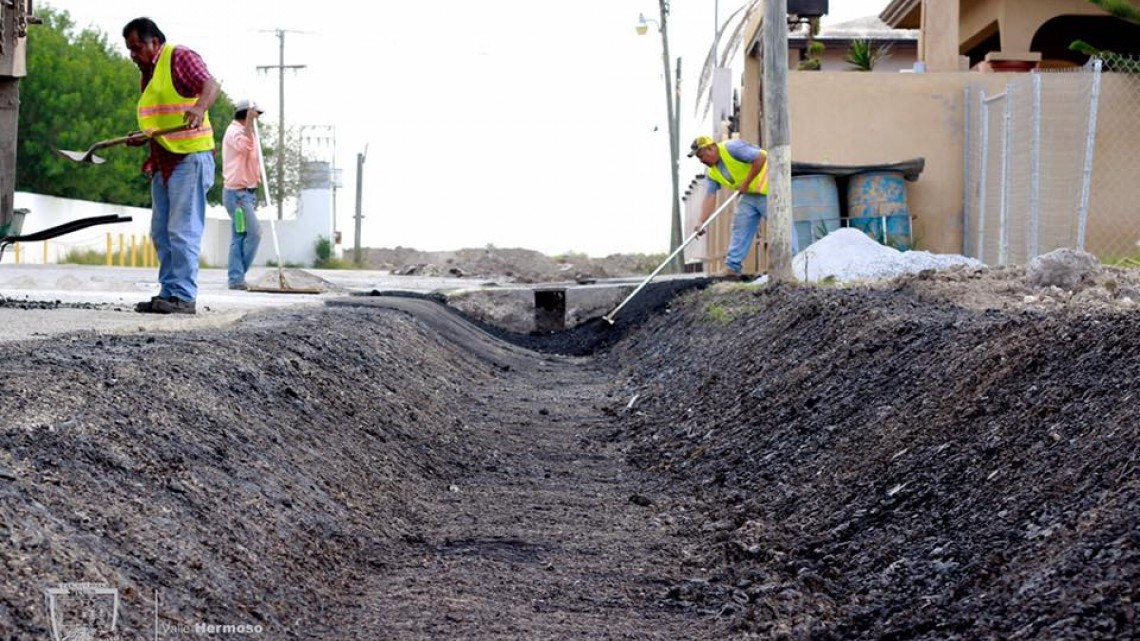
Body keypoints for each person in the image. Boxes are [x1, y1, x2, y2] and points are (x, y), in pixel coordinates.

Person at [122, 17, 220, 314]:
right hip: (164, 159)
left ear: (154, 42)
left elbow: (211, 84)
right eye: (129, 49)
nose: (133, 55)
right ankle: (168, 292)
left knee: (182, 230)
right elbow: (161, 116)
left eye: (136, 47)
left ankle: (183, 297)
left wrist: (199, 107)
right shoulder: (149, 73)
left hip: (190, 156)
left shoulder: (179, 57)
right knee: (161, 233)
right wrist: (144, 135)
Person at [690, 135, 796, 278]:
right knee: (740, 225)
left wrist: (746, 183)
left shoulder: (732, 148)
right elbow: (710, 196)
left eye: (701, 155)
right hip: (750, 195)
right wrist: (701, 221)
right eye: (698, 157)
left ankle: (795, 263)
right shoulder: (712, 172)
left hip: (771, 190)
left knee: (782, 226)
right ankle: (732, 267)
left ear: (711, 148)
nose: (701, 160)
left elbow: (760, 157)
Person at [221, 99, 265, 290]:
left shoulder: (248, 132)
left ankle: (236, 278)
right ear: (246, 114)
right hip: (237, 194)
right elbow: (244, 147)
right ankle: (236, 276)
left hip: (247, 193)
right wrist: (248, 123)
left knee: (240, 236)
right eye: (255, 114)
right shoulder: (234, 132)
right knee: (254, 233)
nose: (257, 118)